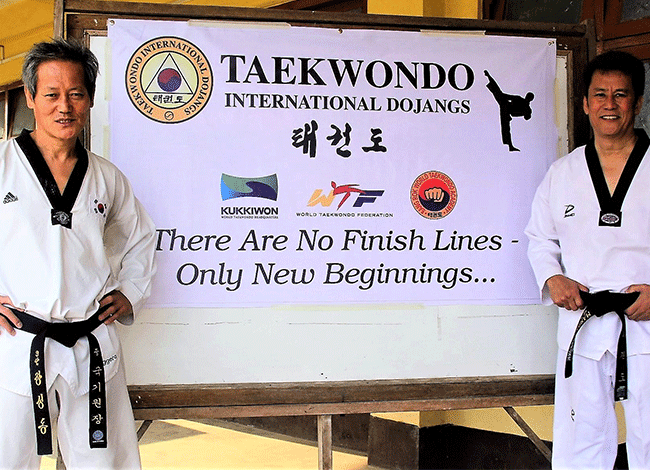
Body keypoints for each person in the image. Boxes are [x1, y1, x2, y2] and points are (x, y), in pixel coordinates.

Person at [0, 38, 156, 469]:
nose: (64, 107)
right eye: (51, 94)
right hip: (18, 342)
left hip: (91, 343)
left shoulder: (105, 176)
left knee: (105, 463)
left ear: (89, 99)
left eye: (76, 94)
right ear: (30, 97)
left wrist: (130, 291)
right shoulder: (3, 166)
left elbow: (140, 236)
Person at [525, 50, 650, 469]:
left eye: (620, 94)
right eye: (600, 94)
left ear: (638, 102)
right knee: (581, 439)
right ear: (584, 103)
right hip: (585, 320)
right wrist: (553, 278)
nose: (609, 105)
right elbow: (539, 237)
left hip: (646, 320)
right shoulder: (562, 173)